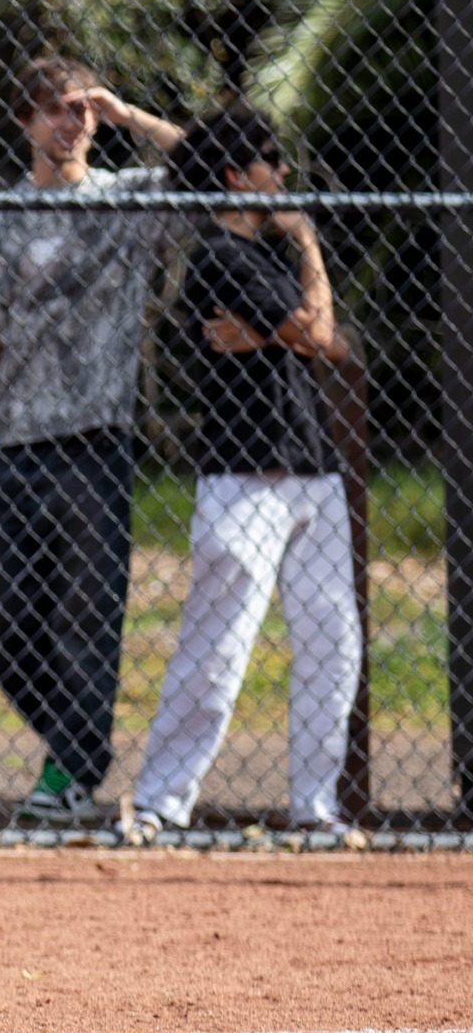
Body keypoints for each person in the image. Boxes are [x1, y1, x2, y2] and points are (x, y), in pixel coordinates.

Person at [0, 57, 186, 824]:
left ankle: (70, 775)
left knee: (86, 617)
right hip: (13, 447)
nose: (67, 122)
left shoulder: (128, 203)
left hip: (95, 445)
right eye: (51, 109)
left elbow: (213, 167)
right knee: (7, 624)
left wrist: (129, 114)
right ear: (25, 123)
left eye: (78, 109)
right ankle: (73, 746)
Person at [124, 106, 362, 842]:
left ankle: (315, 809)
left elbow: (328, 341)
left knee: (335, 643)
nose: (282, 172)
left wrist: (292, 308)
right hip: (244, 480)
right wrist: (307, 246)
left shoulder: (264, 258)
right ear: (234, 176)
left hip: (311, 475)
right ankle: (161, 804)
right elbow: (320, 338)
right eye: (268, 160)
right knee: (219, 648)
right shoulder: (220, 258)